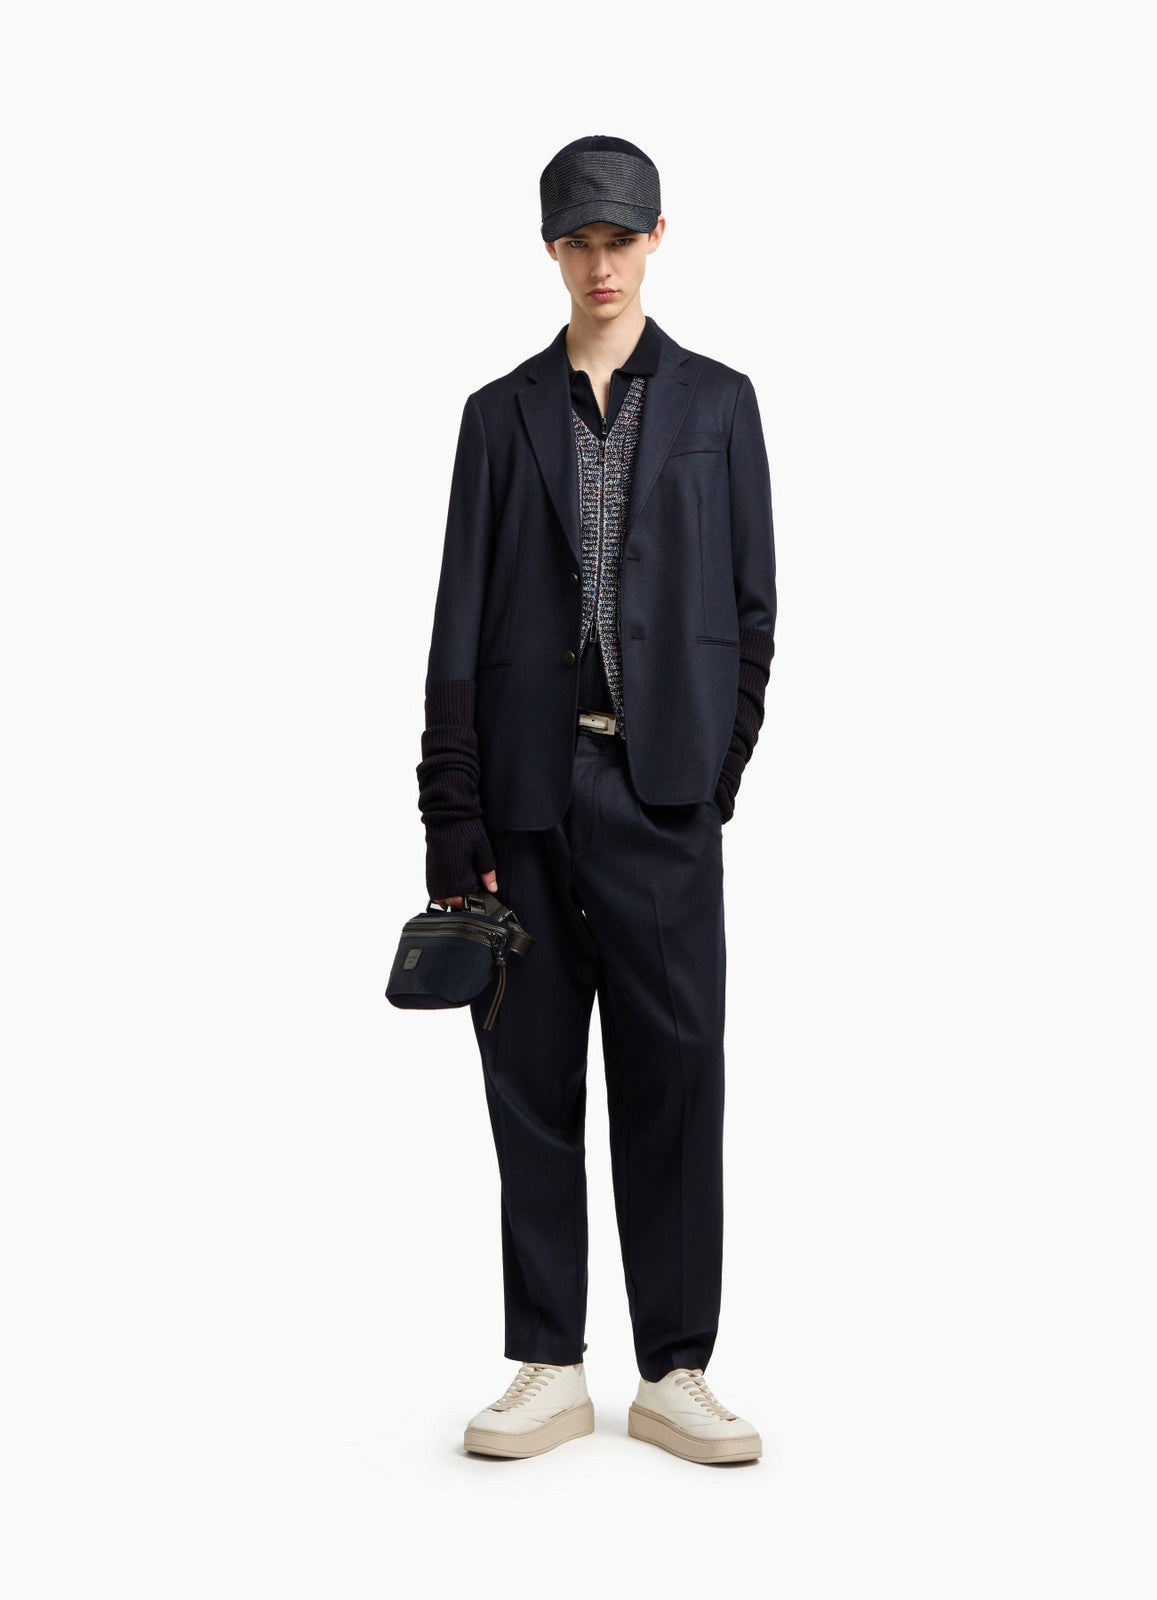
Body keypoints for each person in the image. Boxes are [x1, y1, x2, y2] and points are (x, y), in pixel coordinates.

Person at [414, 134, 777, 1465]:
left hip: (662, 790)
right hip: (522, 796)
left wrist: (713, 776)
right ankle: (548, 1363)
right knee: (529, 1082)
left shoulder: (721, 405)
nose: (601, 263)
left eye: (621, 239)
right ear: (551, 249)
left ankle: (676, 1369)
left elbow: (753, 610)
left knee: (677, 1076)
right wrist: (451, 815)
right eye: (579, 241)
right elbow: (456, 623)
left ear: (657, 238)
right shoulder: (497, 415)